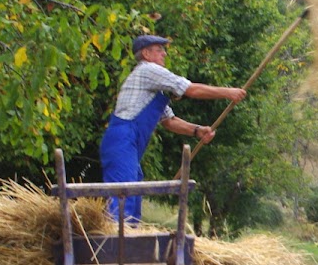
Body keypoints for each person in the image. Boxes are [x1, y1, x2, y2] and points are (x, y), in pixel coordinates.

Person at [99, 35, 246, 222]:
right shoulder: (147, 70)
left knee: (132, 194)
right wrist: (227, 92)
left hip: (128, 144)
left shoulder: (153, 88)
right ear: (146, 53)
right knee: (123, 197)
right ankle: (116, 247)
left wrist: (197, 130)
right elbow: (190, 89)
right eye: (159, 50)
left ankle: (130, 244)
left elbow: (169, 121)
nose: (164, 54)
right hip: (121, 140)